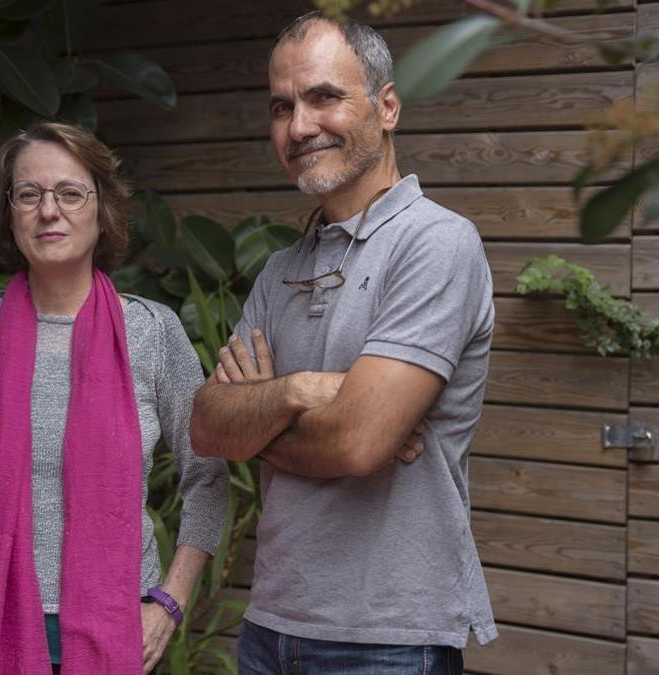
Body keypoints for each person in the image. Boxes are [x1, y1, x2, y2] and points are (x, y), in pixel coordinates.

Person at [189, 12, 497, 673]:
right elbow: (207, 424)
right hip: (270, 626)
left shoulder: (436, 243)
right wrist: (304, 391)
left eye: (323, 96)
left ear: (386, 108)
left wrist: (260, 420)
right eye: (282, 107)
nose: (299, 127)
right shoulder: (280, 271)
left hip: (388, 638)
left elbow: (357, 442)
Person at [0, 122, 228, 675]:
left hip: (120, 628)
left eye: (69, 193)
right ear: (10, 211)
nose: (49, 211)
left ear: (102, 208)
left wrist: (171, 601)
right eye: (29, 194)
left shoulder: (153, 333)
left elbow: (207, 475)